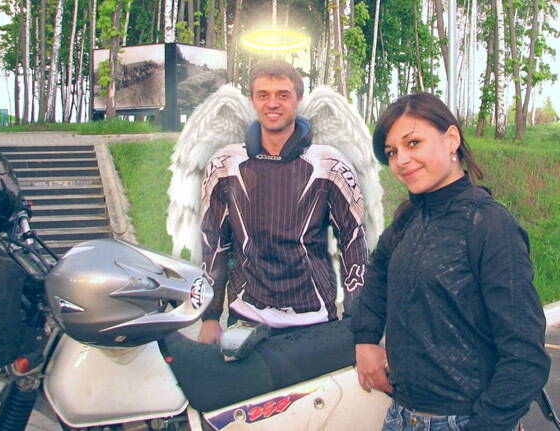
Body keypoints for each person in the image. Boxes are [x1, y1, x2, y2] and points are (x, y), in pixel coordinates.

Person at [350, 93, 550, 430]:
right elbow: (377, 275)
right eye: (392, 152)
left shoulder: (488, 224)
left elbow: (525, 354)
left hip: (466, 419)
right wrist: (365, 338)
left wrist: (485, 424)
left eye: (413, 143)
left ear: (452, 139)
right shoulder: (409, 219)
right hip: (401, 416)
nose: (401, 160)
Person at [197, 60, 368, 343]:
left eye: (283, 95)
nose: (272, 103)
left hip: (313, 320)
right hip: (246, 318)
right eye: (263, 95)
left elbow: (353, 242)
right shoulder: (224, 164)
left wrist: (357, 322)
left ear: (298, 99)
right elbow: (214, 243)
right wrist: (210, 317)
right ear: (252, 101)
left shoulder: (331, 164)